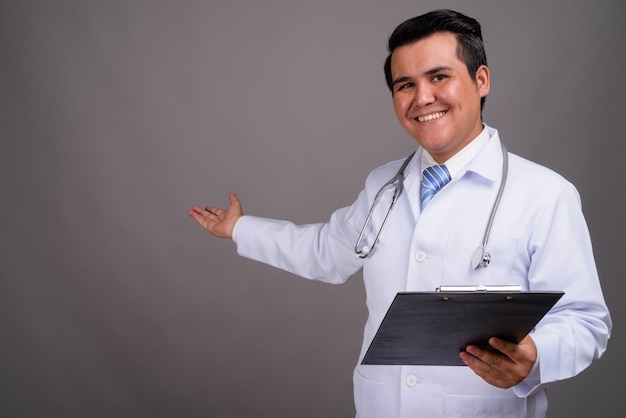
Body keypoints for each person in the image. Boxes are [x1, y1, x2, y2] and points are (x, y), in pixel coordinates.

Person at [188, 9, 611, 418]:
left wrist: (535, 356)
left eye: (439, 77)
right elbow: (325, 252)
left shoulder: (544, 194)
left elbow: (585, 321)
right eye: (404, 84)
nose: (422, 98)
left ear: (480, 80)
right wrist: (239, 228)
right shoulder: (383, 184)